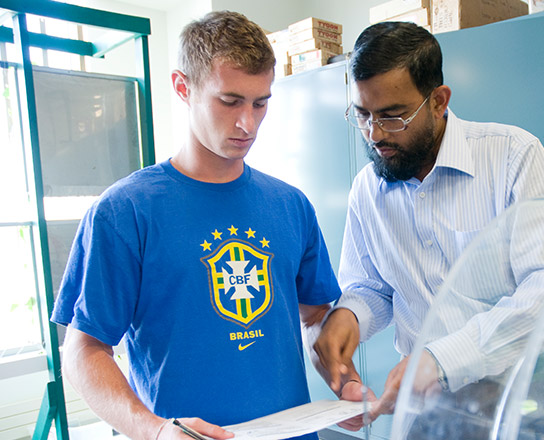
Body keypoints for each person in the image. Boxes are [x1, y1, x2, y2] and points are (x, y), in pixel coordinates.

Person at [51, 11, 341, 440]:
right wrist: (154, 430)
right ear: (183, 88)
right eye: (230, 101)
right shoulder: (125, 211)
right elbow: (82, 350)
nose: (249, 123)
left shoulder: (291, 205)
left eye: (261, 102)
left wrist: (339, 371)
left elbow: (315, 314)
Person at [312, 21, 544, 428]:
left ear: (438, 101)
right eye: (363, 115)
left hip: (517, 408)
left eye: (393, 116)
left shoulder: (512, 157)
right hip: (427, 418)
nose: (375, 135)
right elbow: (372, 286)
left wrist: (442, 359)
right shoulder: (367, 189)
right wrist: (348, 316)